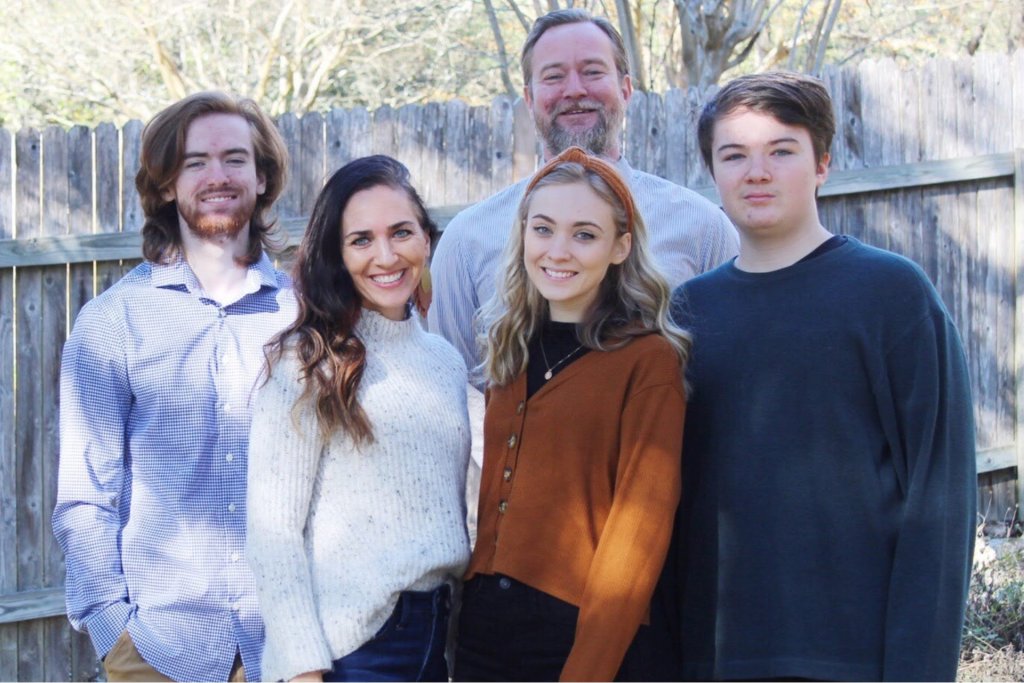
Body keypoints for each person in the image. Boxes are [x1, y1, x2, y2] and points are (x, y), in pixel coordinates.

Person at [669, 72, 976, 681]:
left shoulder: (890, 294)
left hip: (854, 659)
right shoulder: (686, 313)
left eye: (782, 151)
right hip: (715, 659)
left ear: (822, 164)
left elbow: (939, 496)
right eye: (734, 155)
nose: (757, 173)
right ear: (713, 172)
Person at [428, 5, 737, 551]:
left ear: (626, 88)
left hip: (676, 530)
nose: (574, 90)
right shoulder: (468, 240)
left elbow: (728, 382)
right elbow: (454, 394)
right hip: (526, 542)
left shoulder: (701, 227)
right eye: (554, 76)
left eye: (592, 72)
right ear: (529, 97)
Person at [53, 91, 295, 682]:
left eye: (235, 159)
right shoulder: (112, 322)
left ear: (262, 177)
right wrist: (113, 632)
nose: (218, 176)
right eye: (195, 162)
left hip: (293, 650)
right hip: (159, 654)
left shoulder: (304, 314)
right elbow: (85, 496)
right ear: (166, 185)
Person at [453, 146, 688, 682]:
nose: (558, 251)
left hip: (583, 634)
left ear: (620, 246)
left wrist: (588, 670)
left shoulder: (648, 360)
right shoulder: (510, 348)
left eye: (584, 234)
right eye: (543, 229)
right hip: (484, 631)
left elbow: (639, 532)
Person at [245, 155, 471, 683]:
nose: (386, 256)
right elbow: (273, 530)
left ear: (427, 239)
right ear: (337, 255)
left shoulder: (445, 363)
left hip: (436, 638)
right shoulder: (308, 362)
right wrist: (302, 668)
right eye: (361, 240)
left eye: (401, 232)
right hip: (352, 651)